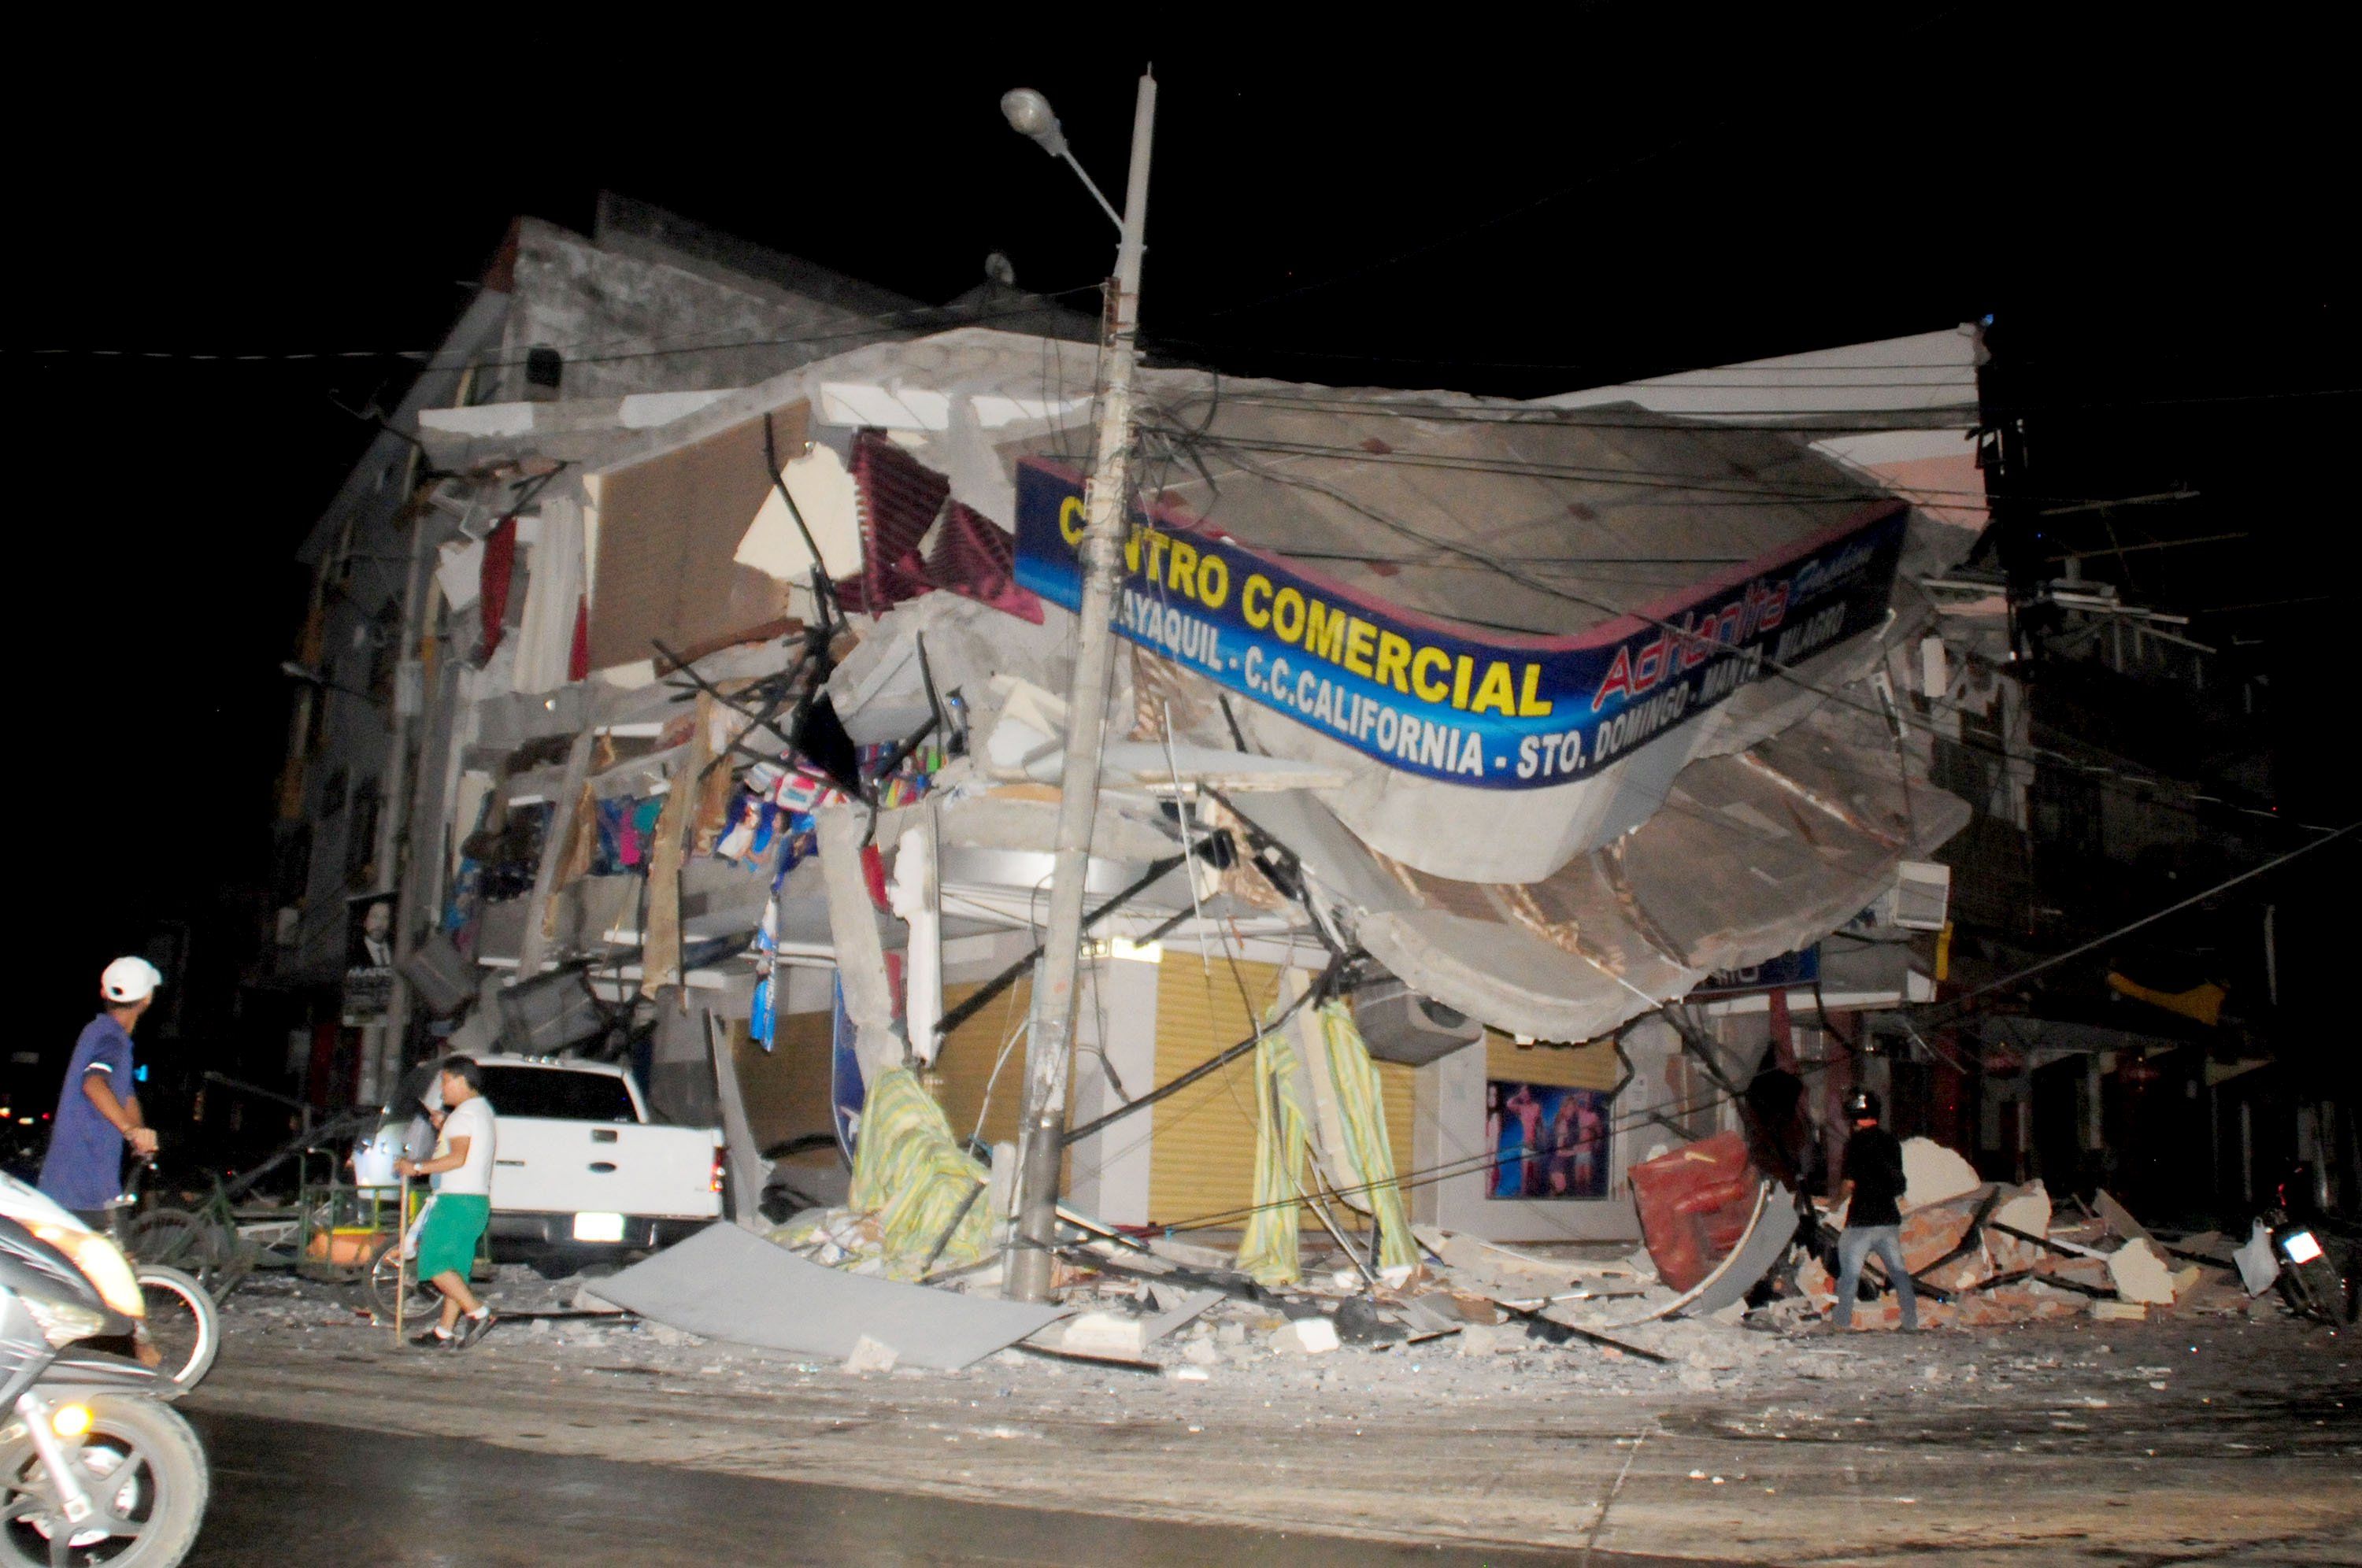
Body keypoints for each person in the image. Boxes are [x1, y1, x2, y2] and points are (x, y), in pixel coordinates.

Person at [39, 958, 165, 1225]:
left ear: (103, 993)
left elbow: (127, 1096)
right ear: (148, 998)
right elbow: (93, 1082)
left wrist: (140, 1138)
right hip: (84, 1187)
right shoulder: (111, 1038)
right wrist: (131, 1131)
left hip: (78, 1184)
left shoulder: (103, 1035)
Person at [394, 1056, 498, 1350]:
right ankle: (444, 1332)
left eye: (444, 1081)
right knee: (455, 1270)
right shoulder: (480, 1111)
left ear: (460, 1080)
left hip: (456, 1201)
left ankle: (479, 1313)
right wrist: (445, 1125)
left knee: (435, 1262)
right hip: (475, 1201)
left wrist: (414, 1167)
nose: (442, 1090)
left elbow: (457, 1158)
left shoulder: (464, 1116)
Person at [1827, 1087, 1917, 1332]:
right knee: (1899, 1273)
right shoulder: (1891, 1142)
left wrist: (1833, 1203)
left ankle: (1841, 1322)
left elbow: (1849, 1183)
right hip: (1888, 1220)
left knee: (1849, 1276)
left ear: (1854, 1117)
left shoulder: (1855, 1144)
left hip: (1861, 1221)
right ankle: (1910, 1322)